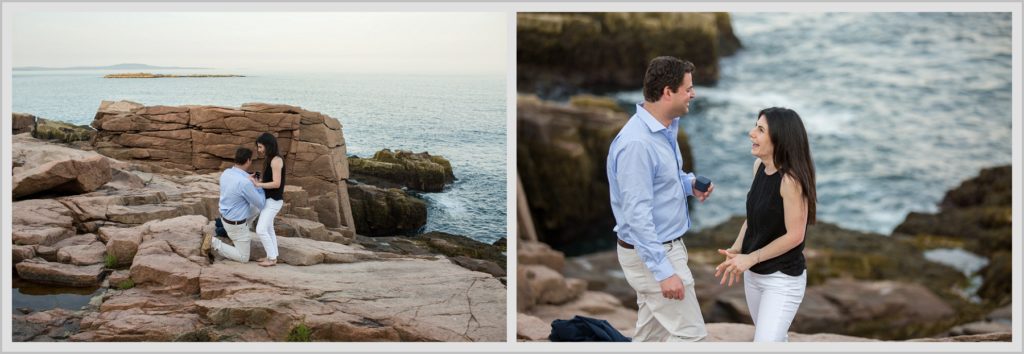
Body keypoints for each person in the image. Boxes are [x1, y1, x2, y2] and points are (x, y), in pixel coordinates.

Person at [606, 56, 714, 342]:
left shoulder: (665, 128)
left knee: (650, 339)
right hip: (653, 254)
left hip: (661, 248)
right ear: (668, 92)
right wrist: (664, 272)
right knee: (693, 338)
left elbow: (664, 180)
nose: (694, 94)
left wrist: (689, 185)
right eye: (688, 88)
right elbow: (636, 215)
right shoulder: (637, 144)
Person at [714, 107, 817, 342]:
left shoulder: (791, 181)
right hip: (754, 276)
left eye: (760, 130)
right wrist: (738, 249)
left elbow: (795, 236)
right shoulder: (759, 167)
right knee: (774, 340)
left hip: (781, 279)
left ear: (779, 138)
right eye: (755, 126)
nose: (751, 133)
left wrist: (751, 257)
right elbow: (753, 217)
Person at [201, 147, 265, 263]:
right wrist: (258, 186)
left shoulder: (226, 173)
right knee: (243, 257)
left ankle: (229, 231)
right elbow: (261, 203)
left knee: (255, 209)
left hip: (226, 217)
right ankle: (213, 242)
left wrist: (248, 179)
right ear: (248, 161)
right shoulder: (245, 183)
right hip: (235, 224)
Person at [252, 132, 286, 267]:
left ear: (267, 145)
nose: (259, 150)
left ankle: (271, 259)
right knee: (269, 228)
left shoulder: (276, 160)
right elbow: (269, 180)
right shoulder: (270, 159)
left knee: (260, 229)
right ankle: (273, 255)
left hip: (274, 201)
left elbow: (276, 183)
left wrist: (259, 184)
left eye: (260, 147)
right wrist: (257, 179)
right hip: (269, 199)